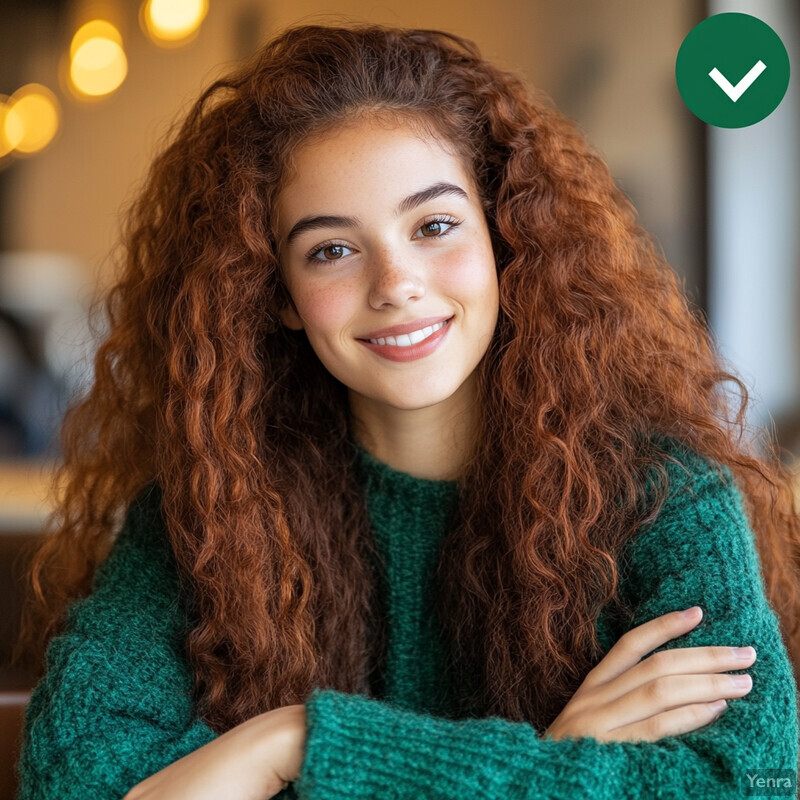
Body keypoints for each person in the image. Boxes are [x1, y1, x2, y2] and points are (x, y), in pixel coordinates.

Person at [14, 22, 800, 800]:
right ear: (278, 294)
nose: (396, 283)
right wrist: (555, 762)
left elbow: (750, 784)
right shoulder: (207, 515)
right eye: (331, 249)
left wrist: (296, 749)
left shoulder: (666, 500)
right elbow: (76, 780)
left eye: (434, 226)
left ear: (504, 238)